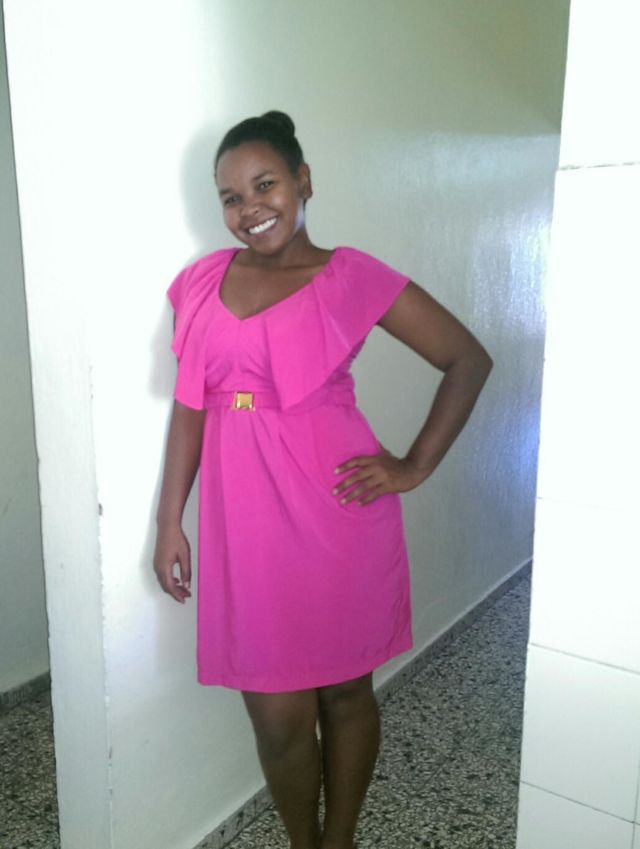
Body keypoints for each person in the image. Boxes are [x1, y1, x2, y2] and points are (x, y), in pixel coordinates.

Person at [153, 110, 492, 849]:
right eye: (231, 197)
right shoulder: (202, 283)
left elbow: (467, 359)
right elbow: (190, 409)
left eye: (265, 184)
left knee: (344, 690)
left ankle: (339, 840)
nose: (250, 208)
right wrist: (168, 520)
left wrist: (413, 464)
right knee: (275, 716)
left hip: (337, 510)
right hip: (245, 524)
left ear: (303, 181)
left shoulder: (350, 277)